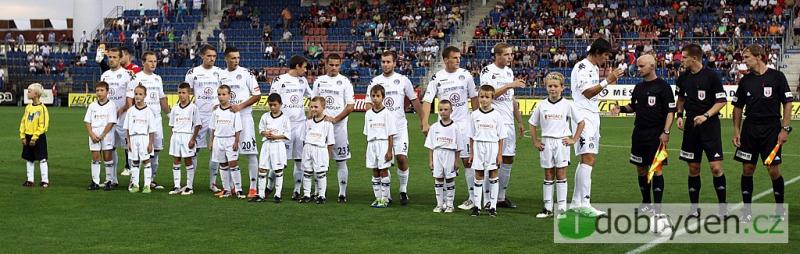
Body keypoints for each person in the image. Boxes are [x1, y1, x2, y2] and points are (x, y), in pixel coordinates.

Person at [732, 45, 793, 222]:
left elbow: (788, 103)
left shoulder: (777, 77)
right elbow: (737, 107)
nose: (744, 61)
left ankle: (780, 210)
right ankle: (747, 211)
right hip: (750, 129)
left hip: (772, 129)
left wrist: (785, 128)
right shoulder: (745, 81)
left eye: (747, 57)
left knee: (773, 171)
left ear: (758, 57)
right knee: (747, 169)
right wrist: (736, 130)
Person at [611, 55, 676, 216]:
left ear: (652, 66)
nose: (638, 69)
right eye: (637, 66)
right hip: (639, 134)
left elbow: (670, 111)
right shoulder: (639, 87)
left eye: (641, 66)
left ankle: (658, 208)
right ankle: (646, 202)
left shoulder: (663, 87)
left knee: (656, 169)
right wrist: (620, 109)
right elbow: (633, 106)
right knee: (640, 169)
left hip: (656, 135)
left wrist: (666, 132)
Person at [569, 38, 624, 216]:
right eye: (606, 55)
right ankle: (584, 203)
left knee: (587, 159)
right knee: (588, 158)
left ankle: (577, 202)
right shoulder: (582, 67)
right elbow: (587, 92)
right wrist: (607, 80)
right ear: (598, 52)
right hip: (582, 116)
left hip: (591, 115)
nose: (606, 59)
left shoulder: (593, 68)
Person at [419, 46, 478, 210]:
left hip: (464, 126)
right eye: (455, 57)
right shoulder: (437, 77)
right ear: (446, 60)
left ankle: (473, 198)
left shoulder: (466, 75)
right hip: (443, 128)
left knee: (467, 161)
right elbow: (427, 100)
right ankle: (443, 202)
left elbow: (474, 98)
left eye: (459, 57)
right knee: (442, 164)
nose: (458, 60)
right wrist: (424, 122)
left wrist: (477, 119)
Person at [675, 43, 728, 216]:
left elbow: (721, 101)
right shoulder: (682, 78)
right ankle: (694, 208)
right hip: (691, 128)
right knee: (693, 169)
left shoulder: (712, 76)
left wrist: (705, 115)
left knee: (716, 168)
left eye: (684, 57)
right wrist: (680, 116)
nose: (681, 60)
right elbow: (681, 99)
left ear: (694, 58)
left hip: (710, 127)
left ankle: (722, 208)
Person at [365, 51, 423, 205]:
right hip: (382, 132)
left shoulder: (403, 80)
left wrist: (423, 120)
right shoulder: (374, 81)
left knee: (401, 158)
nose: (385, 64)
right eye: (383, 61)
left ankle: (403, 190)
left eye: (388, 61)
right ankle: (386, 196)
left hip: (399, 127)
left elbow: (415, 101)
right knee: (383, 162)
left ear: (395, 63)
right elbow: (368, 105)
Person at [530, 72, 585, 218]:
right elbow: (532, 124)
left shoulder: (568, 104)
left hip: (561, 142)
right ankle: (547, 208)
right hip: (546, 142)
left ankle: (561, 207)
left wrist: (573, 139)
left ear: (562, 88)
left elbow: (581, 122)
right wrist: (535, 140)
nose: (552, 89)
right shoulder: (541, 105)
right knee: (548, 174)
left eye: (555, 86)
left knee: (561, 173)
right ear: (545, 87)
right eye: (550, 86)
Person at [479, 43, 527, 209]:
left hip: (508, 123)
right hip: (492, 122)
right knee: (492, 160)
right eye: (506, 54)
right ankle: (486, 199)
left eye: (511, 54)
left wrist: (519, 121)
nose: (510, 57)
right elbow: (488, 95)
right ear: (497, 56)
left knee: (508, 158)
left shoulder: (509, 71)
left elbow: (511, 99)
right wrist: (509, 85)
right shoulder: (488, 71)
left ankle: (500, 197)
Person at [311, 53, 355, 203]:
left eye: (337, 65)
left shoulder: (345, 82)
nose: (334, 67)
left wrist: (335, 119)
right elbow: (313, 103)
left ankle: (342, 193)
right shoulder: (319, 81)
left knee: (341, 161)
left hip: (339, 128)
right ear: (326, 64)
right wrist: (312, 120)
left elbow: (350, 106)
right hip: (321, 128)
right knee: (318, 160)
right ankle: (318, 191)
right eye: (331, 64)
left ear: (340, 65)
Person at [219, 47, 262, 198]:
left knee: (250, 153)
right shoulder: (221, 74)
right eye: (233, 58)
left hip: (244, 118)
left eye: (238, 57)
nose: (236, 60)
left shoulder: (246, 73)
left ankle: (253, 187)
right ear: (226, 59)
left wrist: (240, 107)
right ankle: (231, 188)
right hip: (226, 120)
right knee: (229, 155)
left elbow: (257, 95)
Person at [125, 51, 171, 191]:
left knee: (155, 150)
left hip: (156, 119)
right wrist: (131, 115)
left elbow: (162, 99)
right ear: (143, 62)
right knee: (136, 152)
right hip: (140, 120)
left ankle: (150, 180)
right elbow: (129, 99)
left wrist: (169, 115)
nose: (153, 64)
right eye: (150, 61)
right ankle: (134, 181)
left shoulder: (158, 78)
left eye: (155, 61)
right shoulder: (136, 77)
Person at [269, 55, 312, 200]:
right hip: (284, 126)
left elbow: (312, 96)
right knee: (279, 159)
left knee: (299, 159)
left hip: (300, 125)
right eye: (304, 67)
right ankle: (270, 186)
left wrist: (313, 111)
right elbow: (272, 100)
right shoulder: (280, 80)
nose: (306, 70)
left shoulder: (303, 81)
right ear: (297, 66)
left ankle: (297, 189)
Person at [185, 45, 224, 193]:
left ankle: (213, 183)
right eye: (209, 56)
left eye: (214, 56)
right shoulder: (193, 73)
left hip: (216, 116)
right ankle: (190, 183)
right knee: (194, 149)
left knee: (215, 149)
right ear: (202, 56)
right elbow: (186, 93)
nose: (212, 58)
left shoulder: (220, 73)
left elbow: (225, 92)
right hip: (199, 116)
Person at [468, 85, 507, 217]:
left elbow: (501, 137)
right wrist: (472, 153)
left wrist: (500, 154)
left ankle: (493, 206)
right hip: (479, 146)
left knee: (493, 175)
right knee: (478, 175)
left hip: (492, 147)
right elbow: (471, 136)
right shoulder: (474, 115)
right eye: (481, 96)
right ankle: (477, 206)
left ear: (492, 98)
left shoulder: (497, 115)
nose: (483, 100)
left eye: (487, 97)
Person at [100, 47, 133, 188]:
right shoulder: (105, 75)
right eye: (110, 57)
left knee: (129, 148)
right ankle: (112, 179)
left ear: (120, 59)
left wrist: (121, 110)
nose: (111, 60)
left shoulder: (128, 75)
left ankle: (134, 180)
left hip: (123, 117)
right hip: (109, 119)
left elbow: (130, 99)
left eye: (114, 57)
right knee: (110, 148)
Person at [424, 100, 462, 213]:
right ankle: (439, 204)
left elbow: (459, 147)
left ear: (451, 111)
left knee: (449, 179)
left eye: (446, 109)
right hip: (438, 154)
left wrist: (457, 161)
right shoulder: (434, 127)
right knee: (438, 178)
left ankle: (450, 204)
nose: (443, 112)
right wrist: (430, 161)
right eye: (441, 109)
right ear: (438, 111)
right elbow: (430, 146)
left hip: (450, 154)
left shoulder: (455, 127)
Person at [252, 94, 291, 203]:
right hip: (267, 144)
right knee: (262, 169)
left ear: (280, 104)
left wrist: (276, 136)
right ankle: (261, 195)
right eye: (270, 105)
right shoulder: (265, 116)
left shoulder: (285, 118)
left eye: (275, 105)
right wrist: (265, 133)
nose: (272, 107)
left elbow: (287, 135)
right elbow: (261, 130)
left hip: (278, 145)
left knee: (278, 170)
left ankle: (277, 194)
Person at [364, 85, 396, 208]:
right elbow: (367, 133)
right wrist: (366, 151)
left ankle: (385, 199)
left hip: (383, 143)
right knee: (374, 171)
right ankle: (378, 198)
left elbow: (391, 134)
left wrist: (389, 150)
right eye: (373, 96)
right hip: (372, 144)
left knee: (383, 170)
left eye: (378, 96)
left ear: (383, 97)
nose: (375, 98)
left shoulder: (387, 113)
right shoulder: (368, 114)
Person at [167, 82, 202, 195]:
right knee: (176, 160)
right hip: (176, 136)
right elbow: (172, 124)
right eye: (179, 93)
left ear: (189, 94)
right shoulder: (175, 108)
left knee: (188, 161)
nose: (181, 95)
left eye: (184, 93)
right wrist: (173, 137)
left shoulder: (193, 108)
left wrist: (193, 139)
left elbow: (197, 124)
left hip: (187, 136)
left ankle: (189, 187)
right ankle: (176, 186)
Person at [299, 97, 335, 204]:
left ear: (323, 107)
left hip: (320, 149)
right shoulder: (308, 122)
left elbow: (330, 142)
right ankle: (306, 194)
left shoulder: (328, 123)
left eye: (316, 107)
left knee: (320, 173)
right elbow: (303, 138)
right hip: (308, 148)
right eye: (311, 107)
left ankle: (321, 195)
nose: (313, 109)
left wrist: (327, 155)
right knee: (307, 172)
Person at [210, 85, 244, 199]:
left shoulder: (234, 111)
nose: (221, 97)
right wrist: (211, 141)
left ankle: (238, 189)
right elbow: (213, 127)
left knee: (233, 164)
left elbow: (238, 128)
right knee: (223, 164)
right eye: (219, 94)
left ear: (229, 95)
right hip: (218, 140)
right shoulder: (215, 111)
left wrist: (236, 141)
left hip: (230, 140)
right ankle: (227, 190)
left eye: (224, 94)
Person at [84, 81, 118, 190]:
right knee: (95, 157)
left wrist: (103, 134)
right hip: (94, 135)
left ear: (107, 92)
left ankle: (109, 181)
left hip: (107, 135)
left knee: (107, 157)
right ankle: (95, 181)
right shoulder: (92, 105)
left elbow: (111, 122)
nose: (99, 93)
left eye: (102, 90)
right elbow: (87, 121)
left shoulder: (111, 105)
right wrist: (91, 134)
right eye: (97, 90)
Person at [124, 85, 158, 193]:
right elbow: (127, 128)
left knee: (146, 161)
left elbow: (152, 130)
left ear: (145, 95)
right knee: (134, 161)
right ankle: (135, 184)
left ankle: (147, 185)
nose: (138, 96)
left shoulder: (148, 111)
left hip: (144, 138)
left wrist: (150, 143)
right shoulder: (130, 111)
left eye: (140, 94)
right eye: (136, 94)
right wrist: (128, 142)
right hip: (133, 138)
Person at [20, 83, 50, 188]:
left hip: (38, 137)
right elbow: (23, 122)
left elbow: (43, 125)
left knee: (42, 158)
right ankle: (30, 180)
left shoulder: (42, 108)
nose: (27, 93)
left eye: (29, 91)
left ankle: (45, 180)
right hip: (27, 136)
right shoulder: (28, 107)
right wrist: (22, 136)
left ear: (36, 94)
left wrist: (35, 137)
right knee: (29, 159)